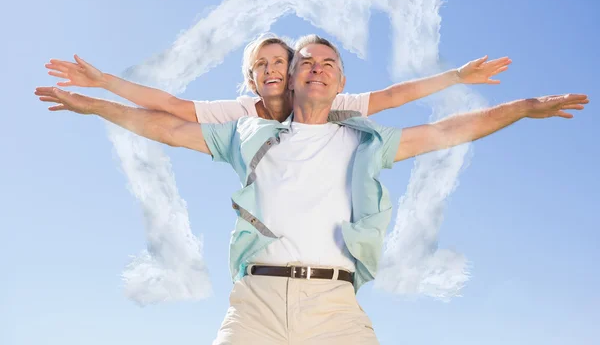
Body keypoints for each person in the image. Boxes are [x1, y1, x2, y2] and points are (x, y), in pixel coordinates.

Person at [36, 35, 588, 344]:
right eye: (306, 63)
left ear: (342, 83)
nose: (317, 69)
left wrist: (521, 108)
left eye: (330, 64)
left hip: (334, 306)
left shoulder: (365, 138)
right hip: (255, 304)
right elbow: (169, 124)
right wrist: (98, 103)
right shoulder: (247, 133)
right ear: (286, 79)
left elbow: (448, 129)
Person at [37, 33, 512, 124]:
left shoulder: (329, 106)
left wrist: (456, 75)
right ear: (250, 80)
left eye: (278, 63)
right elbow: (171, 105)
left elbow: (393, 96)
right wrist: (103, 84)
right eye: (259, 66)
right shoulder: (245, 112)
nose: (269, 71)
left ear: (293, 75)